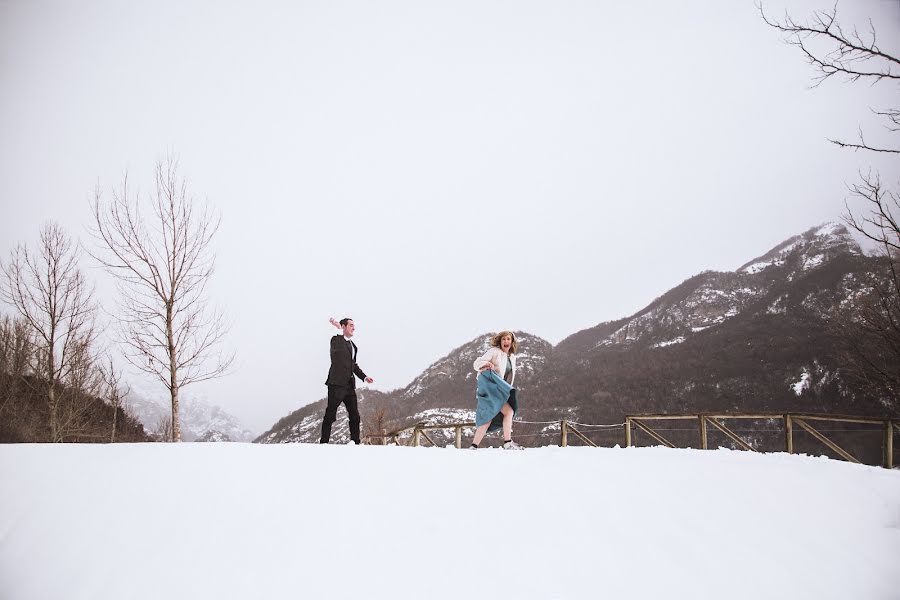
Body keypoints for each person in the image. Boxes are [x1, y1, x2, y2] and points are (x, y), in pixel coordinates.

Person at [320, 317, 374, 444]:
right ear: (343, 327)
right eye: (350, 325)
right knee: (330, 414)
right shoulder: (335, 341)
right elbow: (338, 342)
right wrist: (339, 328)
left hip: (350, 386)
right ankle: (324, 442)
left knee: (355, 416)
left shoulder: (353, 345)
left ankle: (355, 442)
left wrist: (364, 377)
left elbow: (353, 364)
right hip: (336, 385)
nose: (353, 328)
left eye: (354, 325)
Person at [470, 331, 523, 450]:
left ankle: (474, 446)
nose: (506, 341)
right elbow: (476, 364)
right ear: (500, 341)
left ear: (512, 342)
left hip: (500, 391)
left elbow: (508, 377)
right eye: (504, 339)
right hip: (491, 389)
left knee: (495, 415)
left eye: (508, 339)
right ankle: (507, 443)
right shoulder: (494, 351)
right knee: (506, 412)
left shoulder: (512, 357)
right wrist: (486, 363)